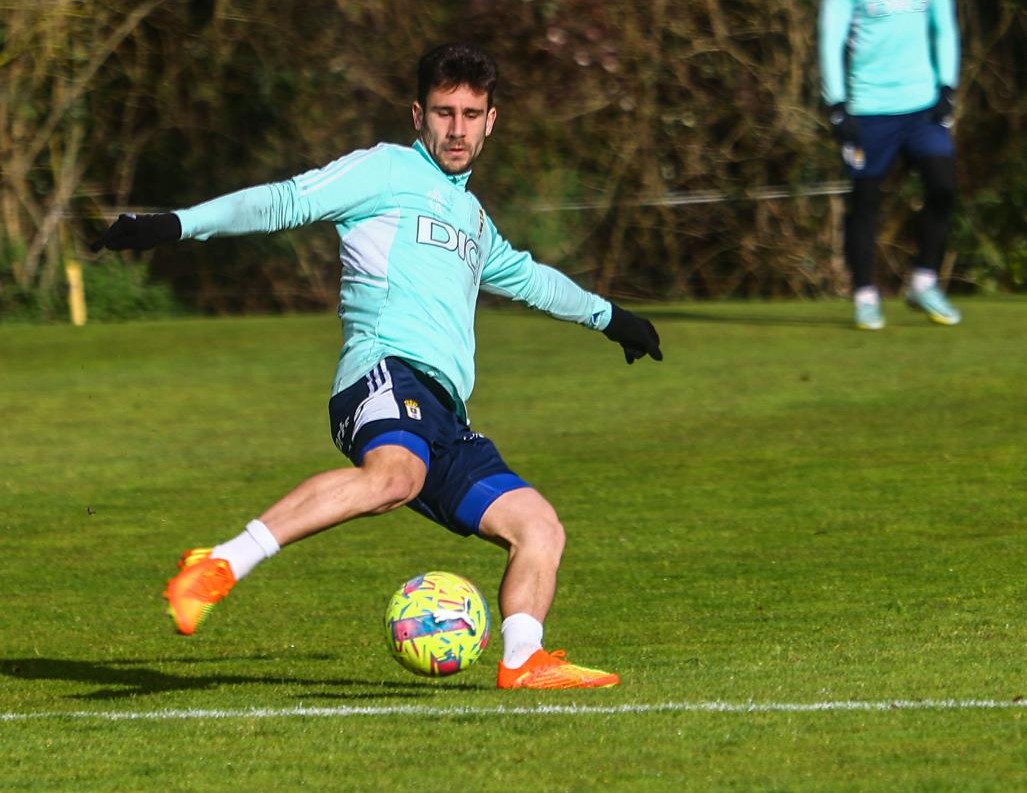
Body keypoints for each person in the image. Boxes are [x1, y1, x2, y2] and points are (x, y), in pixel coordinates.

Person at [91, 42, 662, 690]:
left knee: (538, 526)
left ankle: (522, 659)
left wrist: (612, 318)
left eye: (471, 114)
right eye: (444, 112)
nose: (457, 128)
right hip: (383, 371)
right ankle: (219, 564)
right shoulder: (386, 170)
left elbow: (529, 279)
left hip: (444, 410)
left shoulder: (473, 218)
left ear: (491, 121)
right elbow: (282, 201)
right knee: (395, 477)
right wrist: (174, 225)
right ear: (418, 114)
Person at [818, 0, 962, 330]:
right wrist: (836, 104)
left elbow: (946, 27)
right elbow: (829, 37)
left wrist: (948, 86)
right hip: (869, 109)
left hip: (921, 106)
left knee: (943, 186)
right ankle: (864, 294)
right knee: (865, 203)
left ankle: (924, 282)